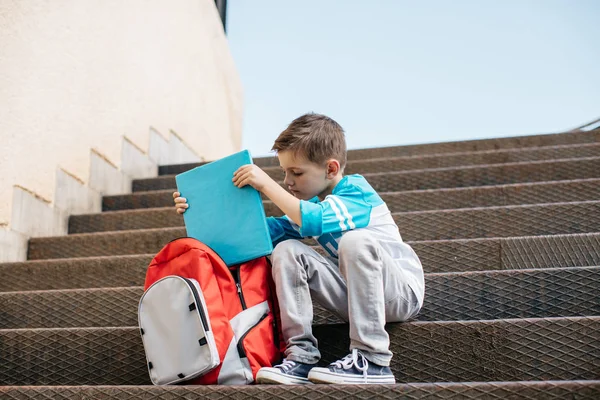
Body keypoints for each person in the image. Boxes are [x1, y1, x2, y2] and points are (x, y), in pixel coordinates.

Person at [173, 113, 424, 385]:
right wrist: (199, 210)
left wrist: (264, 184)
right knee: (286, 250)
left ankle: (373, 359)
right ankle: (300, 357)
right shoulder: (313, 208)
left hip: (400, 294)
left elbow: (311, 219)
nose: (287, 181)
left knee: (354, 241)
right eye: (283, 172)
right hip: (355, 297)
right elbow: (257, 232)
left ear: (330, 169)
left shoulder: (355, 193)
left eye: (297, 172)